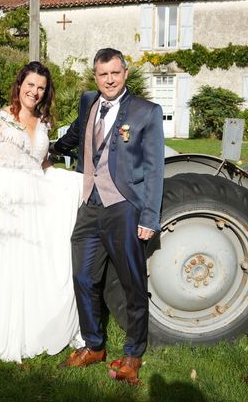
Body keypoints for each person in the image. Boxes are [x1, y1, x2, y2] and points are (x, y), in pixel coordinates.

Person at [52, 48, 164, 385]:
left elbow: (155, 168)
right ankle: (94, 345)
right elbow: (75, 134)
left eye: (115, 73)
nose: (109, 79)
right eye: (103, 74)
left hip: (124, 208)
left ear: (125, 73)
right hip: (89, 206)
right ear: (96, 76)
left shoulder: (147, 111)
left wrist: (148, 217)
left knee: (132, 283)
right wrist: (49, 150)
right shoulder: (88, 101)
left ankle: (132, 354)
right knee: (83, 278)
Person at [0, 61, 83, 362]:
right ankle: (4, 333)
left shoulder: (43, 123)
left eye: (41, 88)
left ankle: (33, 328)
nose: (34, 92)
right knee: (6, 267)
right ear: (19, 84)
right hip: (4, 198)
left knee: (34, 265)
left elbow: (41, 164)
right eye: (31, 85)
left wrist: (74, 180)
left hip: (35, 200)